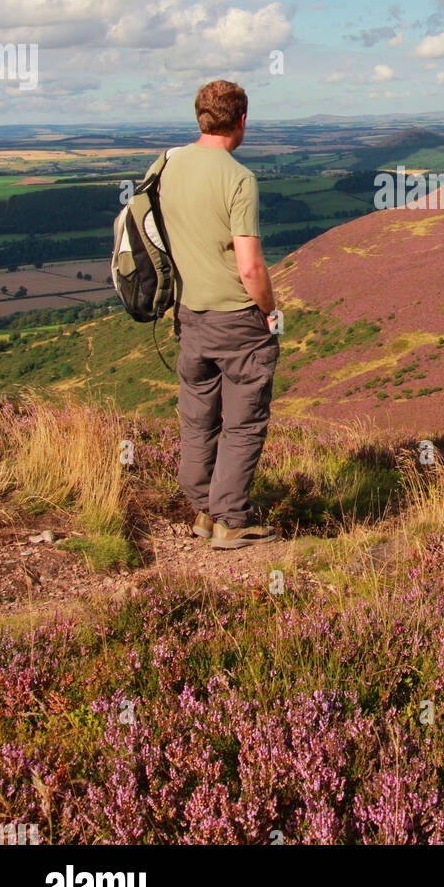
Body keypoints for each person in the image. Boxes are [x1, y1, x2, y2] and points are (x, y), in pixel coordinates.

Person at [155, 79, 279, 549]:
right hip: (238, 318)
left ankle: (203, 511)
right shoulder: (238, 178)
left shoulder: (167, 163)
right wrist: (270, 312)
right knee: (244, 420)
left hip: (190, 314)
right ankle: (231, 520)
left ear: (200, 116)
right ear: (242, 120)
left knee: (198, 416)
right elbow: (249, 267)